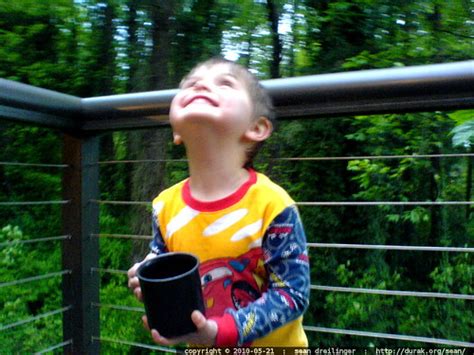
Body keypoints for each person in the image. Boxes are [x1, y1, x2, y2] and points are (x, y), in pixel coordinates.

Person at [127, 57, 310, 347]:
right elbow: (160, 255)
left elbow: (292, 293)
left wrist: (220, 332)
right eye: (189, 83)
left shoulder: (273, 205)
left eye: (224, 83)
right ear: (175, 131)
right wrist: (147, 274)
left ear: (257, 128)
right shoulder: (164, 206)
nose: (201, 85)